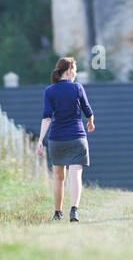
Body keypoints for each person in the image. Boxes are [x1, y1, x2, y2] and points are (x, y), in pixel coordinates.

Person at [35, 56, 94, 222]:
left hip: (57, 139)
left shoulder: (49, 91)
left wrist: (40, 140)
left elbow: (46, 118)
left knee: (58, 177)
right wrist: (90, 122)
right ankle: (74, 210)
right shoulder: (77, 88)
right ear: (68, 71)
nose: (75, 73)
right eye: (74, 70)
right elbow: (88, 110)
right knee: (75, 175)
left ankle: (57, 213)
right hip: (77, 137)